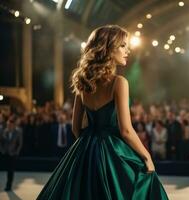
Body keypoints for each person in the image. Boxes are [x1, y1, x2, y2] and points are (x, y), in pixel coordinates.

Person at [37, 25, 168, 200]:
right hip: (113, 152)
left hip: (84, 151)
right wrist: (147, 156)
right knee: (144, 184)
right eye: (122, 46)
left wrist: (88, 151)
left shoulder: (83, 84)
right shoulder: (119, 82)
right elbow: (126, 131)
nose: (127, 50)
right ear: (107, 49)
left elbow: (76, 129)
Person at [0, 117, 23, 191]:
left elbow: (20, 143)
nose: (9, 126)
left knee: (10, 170)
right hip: (4, 154)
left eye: (10, 125)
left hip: (13, 154)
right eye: (7, 125)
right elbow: (0, 142)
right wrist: (2, 150)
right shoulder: (4, 131)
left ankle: (8, 185)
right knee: (5, 169)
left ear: (13, 125)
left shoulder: (18, 132)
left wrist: (16, 152)